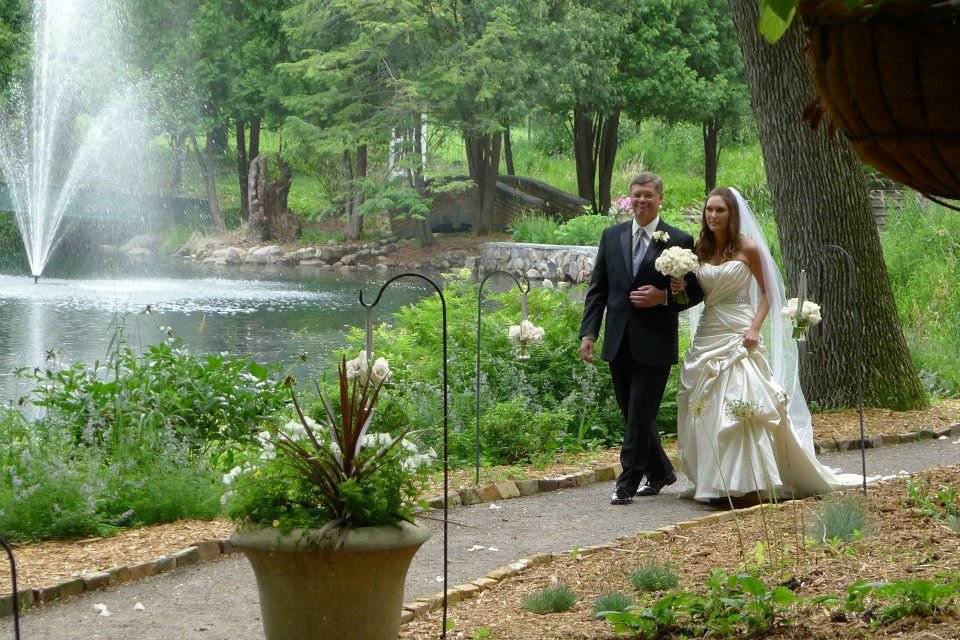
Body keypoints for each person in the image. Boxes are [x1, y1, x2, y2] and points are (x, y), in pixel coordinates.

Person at [672, 187, 865, 504]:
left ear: (732, 214)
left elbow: (767, 294)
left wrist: (754, 328)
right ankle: (715, 481)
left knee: (742, 403)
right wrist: (678, 286)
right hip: (709, 330)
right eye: (709, 210)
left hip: (738, 331)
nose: (713, 215)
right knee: (706, 405)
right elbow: (693, 294)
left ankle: (750, 484)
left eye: (720, 210)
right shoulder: (700, 250)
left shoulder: (749, 248)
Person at [579, 172, 704, 506]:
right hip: (618, 341)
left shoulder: (679, 240)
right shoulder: (611, 236)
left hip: (655, 343)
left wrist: (663, 297)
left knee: (639, 415)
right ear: (628, 199)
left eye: (648, 195)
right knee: (633, 414)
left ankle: (627, 482)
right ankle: (661, 471)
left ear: (660, 198)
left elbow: (693, 294)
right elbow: (598, 289)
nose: (642, 201)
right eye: (636, 195)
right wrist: (589, 333)